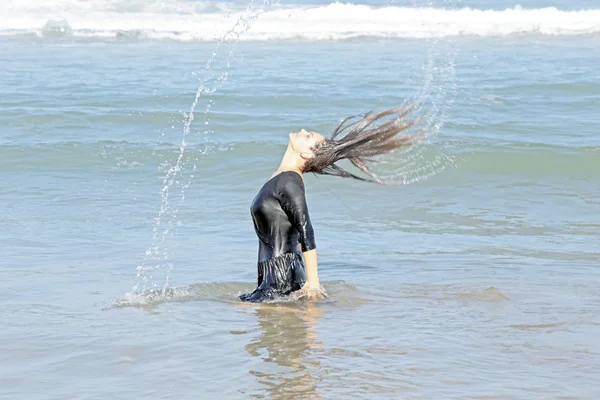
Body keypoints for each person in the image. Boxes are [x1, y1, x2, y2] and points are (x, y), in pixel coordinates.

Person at [239, 105, 424, 302]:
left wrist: (313, 283)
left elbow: (305, 229)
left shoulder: (289, 181)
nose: (303, 131)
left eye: (308, 136)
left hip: (281, 280)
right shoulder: (281, 178)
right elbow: (290, 231)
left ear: (307, 154)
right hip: (274, 278)